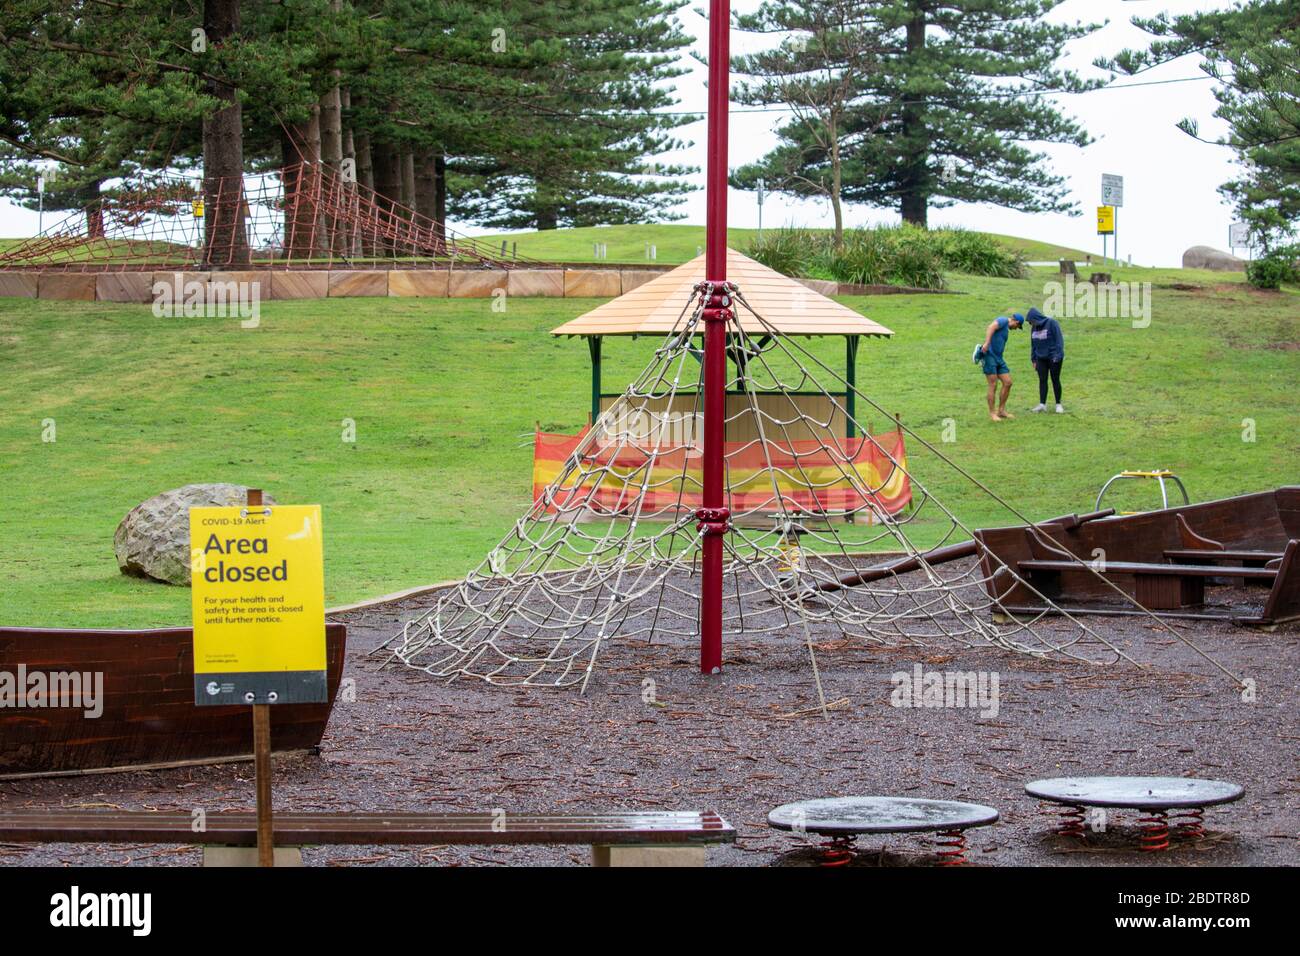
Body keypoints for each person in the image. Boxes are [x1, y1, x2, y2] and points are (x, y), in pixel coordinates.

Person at [974, 313, 1024, 421]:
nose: (1016, 329)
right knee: (993, 384)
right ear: (1016, 322)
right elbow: (990, 327)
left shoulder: (1006, 327)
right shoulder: (1003, 321)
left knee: (1008, 382)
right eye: (1017, 326)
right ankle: (992, 413)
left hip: (999, 358)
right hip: (989, 356)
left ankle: (1001, 411)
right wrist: (987, 343)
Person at [1025, 306, 1065, 413]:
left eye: (1031, 321)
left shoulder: (1051, 323)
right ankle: (1042, 404)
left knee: (1055, 380)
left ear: (1036, 318)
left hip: (1054, 357)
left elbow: (1059, 340)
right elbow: (1033, 344)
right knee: (1042, 380)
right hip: (1040, 358)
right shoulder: (1034, 328)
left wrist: (1057, 355)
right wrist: (1033, 359)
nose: (1030, 324)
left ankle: (1058, 404)